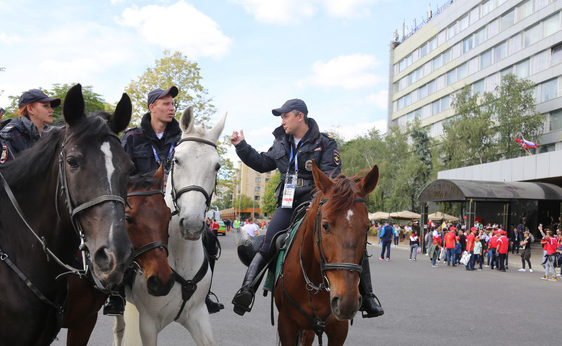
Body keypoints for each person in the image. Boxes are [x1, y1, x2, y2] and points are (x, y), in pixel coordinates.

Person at [229, 98, 383, 318]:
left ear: (299, 116)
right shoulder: (281, 142)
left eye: (285, 116)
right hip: (288, 203)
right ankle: (247, 290)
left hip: (318, 200)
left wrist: (319, 200)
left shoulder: (325, 142)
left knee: (353, 242)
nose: (282, 121)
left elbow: (332, 175)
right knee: (269, 241)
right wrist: (241, 146)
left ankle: (367, 298)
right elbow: (263, 163)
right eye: (281, 117)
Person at [119, 86, 223, 315]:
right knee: (120, 237)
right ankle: (117, 294)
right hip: (143, 206)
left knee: (209, 238)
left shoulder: (182, 137)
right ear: (152, 107)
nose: (171, 108)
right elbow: (122, 174)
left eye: (173, 104)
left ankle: (204, 295)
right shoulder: (132, 137)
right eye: (165, 103)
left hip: (176, 205)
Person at [0, 89, 61, 161]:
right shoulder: (11, 134)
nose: (51, 110)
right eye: (45, 106)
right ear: (30, 109)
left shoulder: (53, 134)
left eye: (50, 106)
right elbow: (4, 170)